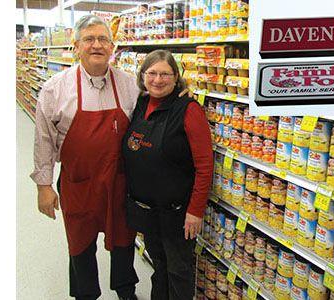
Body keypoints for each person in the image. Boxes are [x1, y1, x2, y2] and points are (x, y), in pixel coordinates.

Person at [30, 15, 139, 300]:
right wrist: (44, 186)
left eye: (103, 39)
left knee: (123, 241)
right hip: (79, 183)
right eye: (89, 39)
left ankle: (126, 291)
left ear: (112, 47)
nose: (96, 45)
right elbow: (43, 139)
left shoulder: (129, 85)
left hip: (119, 182)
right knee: (80, 243)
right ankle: (85, 294)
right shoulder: (56, 88)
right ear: (76, 45)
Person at [122, 49, 214, 300]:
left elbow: (204, 165)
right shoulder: (140, 103)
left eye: (165, 74)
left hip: (177, 213)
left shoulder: (188, 109)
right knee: (159, 267)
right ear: (142, 76)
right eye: (152, 73)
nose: (158, 80)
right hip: (148, 211)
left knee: (178, 271)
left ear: (176, 77)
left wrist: (195, 211)